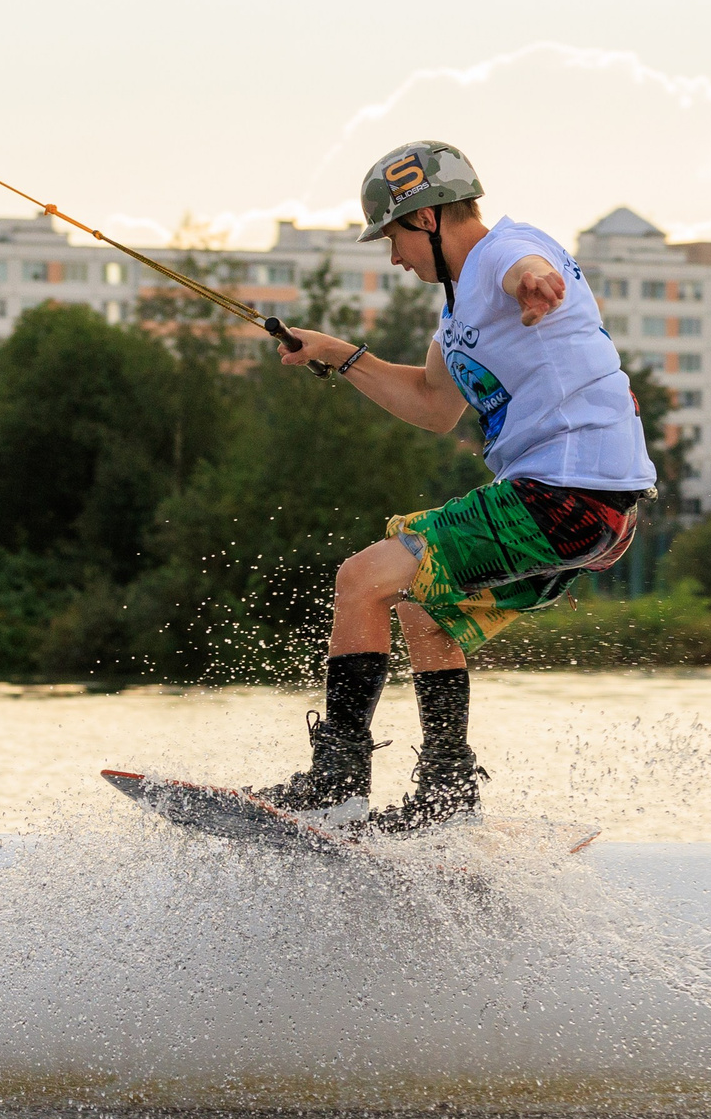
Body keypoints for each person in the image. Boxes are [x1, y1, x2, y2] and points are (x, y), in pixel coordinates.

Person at [258, 140, 656, 833]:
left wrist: (535, 283)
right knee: (427, 612)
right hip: (601, 515)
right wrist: (337, 354)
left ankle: (337, 785)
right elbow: (433, 407)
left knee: (361, 580)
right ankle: (447, 799)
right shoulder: (454, 320)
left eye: (394, 237)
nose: (393, 256)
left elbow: (525, 267)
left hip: (562, 492)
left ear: (432, 218)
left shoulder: (507, 253)